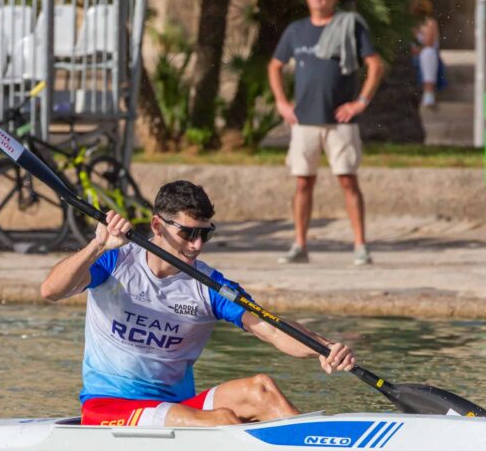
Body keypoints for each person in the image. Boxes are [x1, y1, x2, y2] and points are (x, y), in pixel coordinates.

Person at [40, 180, 357, 428]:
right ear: (156, 226)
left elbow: (272, 330)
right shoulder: (114, 261)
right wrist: (97, 244)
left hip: (179, 406)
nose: (196, 245)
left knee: (261, 390)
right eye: (187, 233)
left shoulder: (211, 286)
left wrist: (323, 348)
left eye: (205, 235)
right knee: (221, 421)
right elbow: (51, 291)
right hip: (109, 408)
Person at [268, 0, 384, 266]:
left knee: (348, 180)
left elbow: (374, 64)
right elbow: (275, 66)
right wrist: (282, 102)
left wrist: (360, 102)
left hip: (340, 120)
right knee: (302, 183)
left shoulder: (350, 26)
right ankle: (300, 244)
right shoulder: (296, 30)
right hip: (304, 120)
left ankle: (360, 245)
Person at [411, 0, 442, 108]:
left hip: (425, 55)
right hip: (412, 56)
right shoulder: (410, 24)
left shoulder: (430, 23)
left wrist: (417, 50)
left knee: (428, 53)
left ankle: (429, 93)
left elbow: (428, 42)